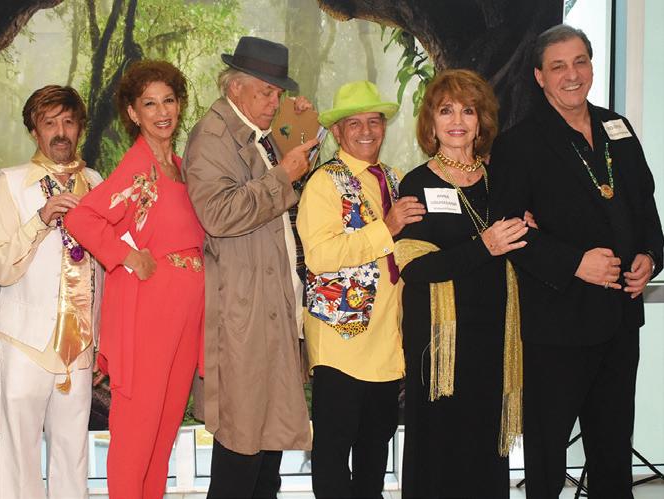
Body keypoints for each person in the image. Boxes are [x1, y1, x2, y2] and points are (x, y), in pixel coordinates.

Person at [491, 25, 663, 497]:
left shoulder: (619, 129)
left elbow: (646, 211)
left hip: (621, 321)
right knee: (547, 462)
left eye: (580, 61)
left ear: (591, 65)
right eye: (558, 66)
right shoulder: (518, 144)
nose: (572, 74)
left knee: (613, 456)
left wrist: (650, 257)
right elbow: (509, 231)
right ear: (540, 77)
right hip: (556, 327)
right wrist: (574, 263)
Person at [183, 36, 319, 498]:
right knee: (241, 449)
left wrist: (300, 124)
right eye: (266, 92)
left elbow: (290, 175)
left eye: (278, 94)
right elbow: (218, 214)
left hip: (269, 307)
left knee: (267, 448)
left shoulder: (258, 132)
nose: (274, 103)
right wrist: (283, 177)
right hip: (244, 312)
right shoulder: (213, 136)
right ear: (234, 87)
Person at [63, 60, 203, 499]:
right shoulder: (139, 167)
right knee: (137, 434)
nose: (162, 112)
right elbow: (82, 218)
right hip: (152, 315)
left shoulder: (178, 166)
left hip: (186, 317)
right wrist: (127, 256)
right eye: (150, 104)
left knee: (164, 433)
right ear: (132, 113)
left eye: (169, 100)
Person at [394, 69, 527, 498]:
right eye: (446, 110)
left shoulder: (501, 181)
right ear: (431, 123)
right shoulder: (418, 182)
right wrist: (483, 247)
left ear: (481, 121)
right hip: (440, 344)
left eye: (468, 110)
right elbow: (415, 268)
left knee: (485, 448)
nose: (457, 121)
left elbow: (522, 249)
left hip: (494, 337)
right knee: (438, 448)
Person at [297, 80, 423, 497]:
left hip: (387, 342)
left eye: (374, 121)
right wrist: (386, 228)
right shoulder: (323, 183)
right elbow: (320, 256)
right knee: (333, 455)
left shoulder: (394, 179)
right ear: (337, 131)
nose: (367, 131)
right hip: (341, 343)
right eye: (355, 123)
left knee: (374, 453)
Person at [0, 85, 103, 499]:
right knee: (19, 457)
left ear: (80, 128)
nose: (60, 132)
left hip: (79, 344)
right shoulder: (11, 182)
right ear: (34, 131)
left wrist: (100, 338)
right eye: (49, 122)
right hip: (25, 341)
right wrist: (40, 220)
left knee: (73, 456)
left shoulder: (95, 182)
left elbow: (103, 271)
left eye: (68, 122)